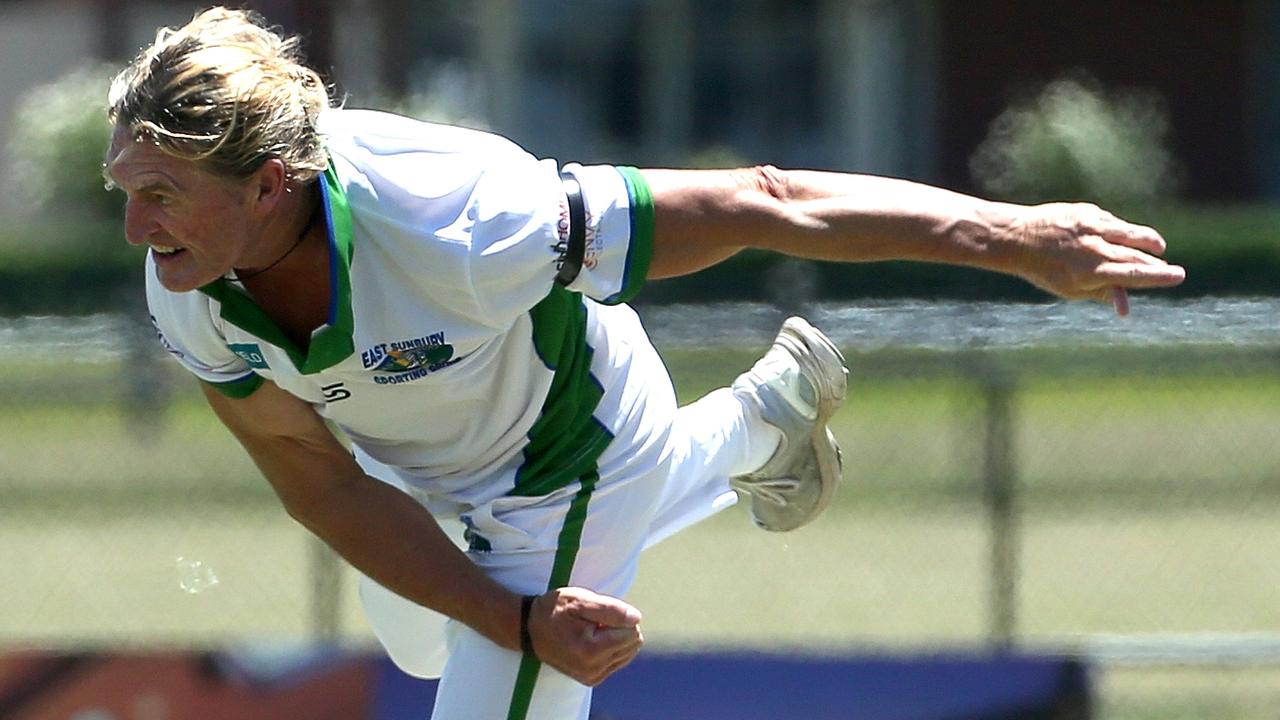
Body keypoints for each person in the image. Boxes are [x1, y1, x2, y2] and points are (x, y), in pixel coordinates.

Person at [102, 8, 1186, 719]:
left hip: (568, 458)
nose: (137, 227)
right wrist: (500, 618)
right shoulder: (190, 286)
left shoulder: (464, 219)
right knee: (427, 646)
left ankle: (718, 442)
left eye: (162, 195)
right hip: (413, 469)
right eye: (127, 191)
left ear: (271, 184)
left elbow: (764, 202)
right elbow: (320, 480)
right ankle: (760, 421)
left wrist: (1010, 238)